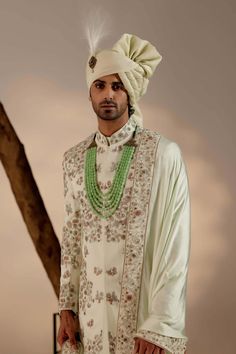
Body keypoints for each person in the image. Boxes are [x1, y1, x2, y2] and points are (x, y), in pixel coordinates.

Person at [57, 33, 191, 354]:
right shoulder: (74, 158)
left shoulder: (162, 154)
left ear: (130, 93)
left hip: (142, 327)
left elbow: (175, 246)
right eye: (100, 85)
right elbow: (73, 236)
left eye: (117, 86)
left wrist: (158, 325)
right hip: (89, 328)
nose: (108, 94)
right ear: (89, 93)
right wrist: (67, 307)